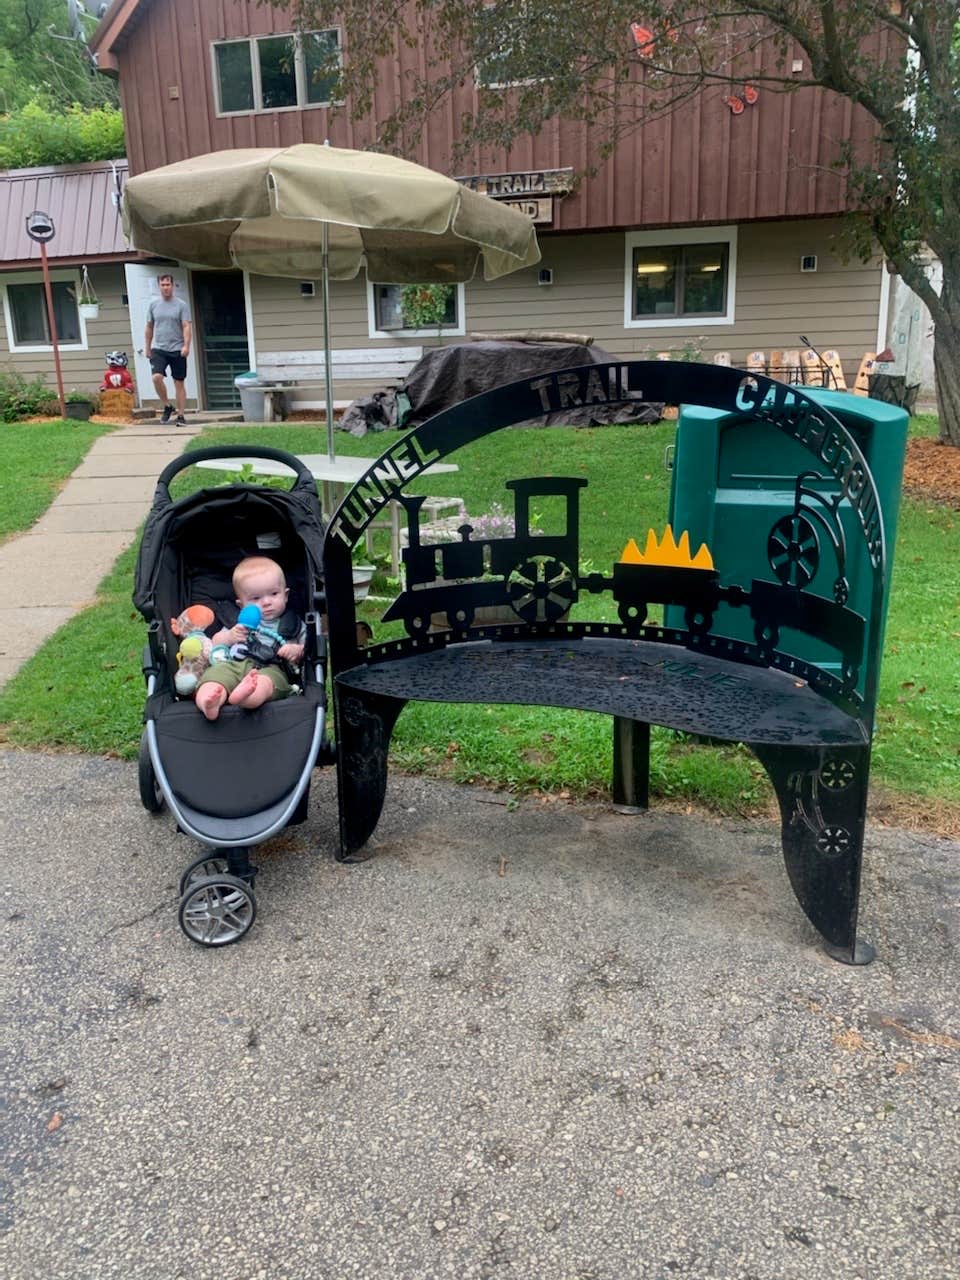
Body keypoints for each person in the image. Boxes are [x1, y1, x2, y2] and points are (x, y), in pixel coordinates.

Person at [195, 557, 306, 721]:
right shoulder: (238, 623)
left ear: (286, 595)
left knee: (266, 684)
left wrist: (296, 650)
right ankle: (209, 702)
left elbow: (307, 649)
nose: (267, 602)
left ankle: (247, 697)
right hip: (233, 664)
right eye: (256, 598)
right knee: (214, 676)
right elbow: (215, 642)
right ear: (241, 605)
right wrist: (229, 636)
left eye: (274, 594)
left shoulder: (294, 624)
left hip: (271, 668)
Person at [144, 273, 192, 426]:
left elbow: (186, 326)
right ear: (159, 286)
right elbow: (149, 326)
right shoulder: (153, 305)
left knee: (179, 382)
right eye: (163, 285)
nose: (166, 287)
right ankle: (167, 406)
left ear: (172, 286)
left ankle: (181, 415)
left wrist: (186, 345)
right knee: (156, 377)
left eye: (168, 284)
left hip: (177, 348)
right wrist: (147, 347)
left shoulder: (181, 305)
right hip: (159, 348)